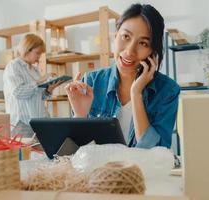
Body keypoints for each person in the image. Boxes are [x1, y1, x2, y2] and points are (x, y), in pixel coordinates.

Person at [65, 4, 180, 148]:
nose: (130, 51)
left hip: (142, 170)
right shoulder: (91, 82)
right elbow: (74, 152)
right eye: (126, 36)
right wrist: (80, 116)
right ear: (115, 36)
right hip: (99, 171)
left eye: (143, 43)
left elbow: (154, 153)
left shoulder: (167, 90)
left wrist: (136, 93)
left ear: (152, 51)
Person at [3, 34, 62, 136]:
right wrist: (39, 81)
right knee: (25, 152)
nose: (39, 57)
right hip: (22, 123)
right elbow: (18, 92)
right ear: (27, 49)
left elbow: (38, 95)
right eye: (37, 53)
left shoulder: (34, 70)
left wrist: (48, 90)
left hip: (39, 121)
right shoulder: (13, 66)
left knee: (42, 151)